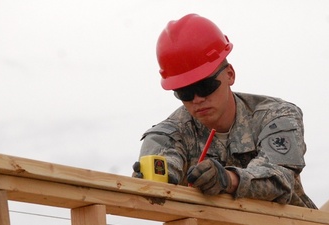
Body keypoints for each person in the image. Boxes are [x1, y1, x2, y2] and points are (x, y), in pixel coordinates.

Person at [132, 13, 317, 209]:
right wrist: (157, 180)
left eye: (206, 86)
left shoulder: (276, 116)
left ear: (230, 75)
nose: (197, 99)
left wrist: (228, 180)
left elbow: (280, 180)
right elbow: (163, 165)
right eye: (184, 92)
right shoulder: (168, 134)